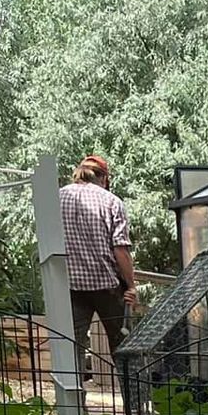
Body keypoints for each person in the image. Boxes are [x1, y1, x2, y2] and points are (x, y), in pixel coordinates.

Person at [59, 155, 138, 372]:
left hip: (70, 286)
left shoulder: (57, 198)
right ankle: (136, 403)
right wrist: (131, 286)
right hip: (107, 286)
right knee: (124, 348)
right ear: (103, 178)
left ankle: (74, 405)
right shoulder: (111, 201)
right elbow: (120, 249)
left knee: (71, 350)